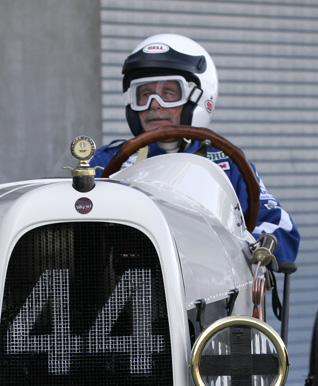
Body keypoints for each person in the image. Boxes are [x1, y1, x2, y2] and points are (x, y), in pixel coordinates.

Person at [90, 33, 299, 265]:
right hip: (126, 285)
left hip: (212, 288)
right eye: (145, 94)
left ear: (198, 99)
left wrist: (246, 244)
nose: (155, 104)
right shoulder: (104, 162)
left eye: (169, 93)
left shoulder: (228, 164)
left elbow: (282, 229)